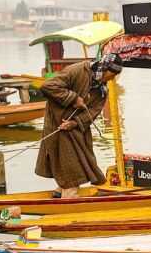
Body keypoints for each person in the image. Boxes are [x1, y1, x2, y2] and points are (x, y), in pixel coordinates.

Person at [35, 54, 122, 198]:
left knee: (75, 166)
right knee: (71, 168)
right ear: (104, 68)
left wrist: (74, 123)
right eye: (111, 74)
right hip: (57, 124)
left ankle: (60, 191)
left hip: (76, 131)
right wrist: (73, 98)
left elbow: (92, 112)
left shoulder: (101, 90)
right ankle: (68, 199)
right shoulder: (77, 71)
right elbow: (48, 86)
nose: (112, 79)